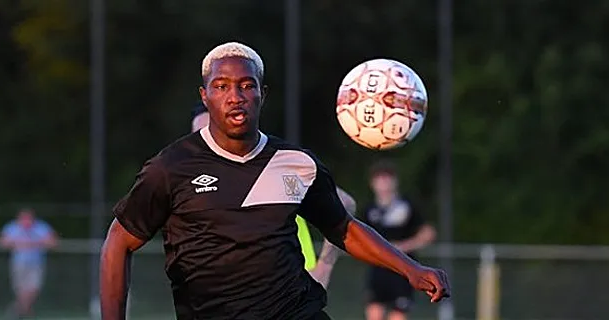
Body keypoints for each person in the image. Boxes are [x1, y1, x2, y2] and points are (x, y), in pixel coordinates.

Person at [100, 41, 450, 320]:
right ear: (205, 96)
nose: (235, 96)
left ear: (261, 95)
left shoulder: (298, 164)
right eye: (221, 86)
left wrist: (411, 269)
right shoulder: (171, 167)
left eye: (246, 85)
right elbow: (118, 242)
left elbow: (342, 227)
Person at [192, 102, 351, 289]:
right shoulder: (196, 185)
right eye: (199, 136)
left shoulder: (274, 167)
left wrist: (324, 266)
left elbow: (344, 202)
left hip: (292, 290)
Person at [362, 161, 437, 320]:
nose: (383, 183)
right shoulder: (369, 209)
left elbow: (428, 233)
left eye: (387, 178)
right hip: (379, 269)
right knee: (374, 312)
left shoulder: (407, 206)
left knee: (398, 314)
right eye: (379, 179)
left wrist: (403, 247)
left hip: (403, 269)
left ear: (395, 180)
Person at [0, 208, 58, 319]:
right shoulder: (13, 227)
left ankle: (16, 309)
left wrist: (36, 243)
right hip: (18, 263)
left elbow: (53, 242)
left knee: (34, 288)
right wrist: (18, 243)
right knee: (20, 289)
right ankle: (26, 312)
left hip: (36, 264)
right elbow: (3, 242)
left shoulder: (41, 227)